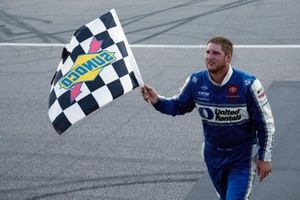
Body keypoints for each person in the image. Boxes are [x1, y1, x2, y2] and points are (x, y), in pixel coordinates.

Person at [140, 36, 275, 200]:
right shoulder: (196, 81)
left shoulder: (248, 84)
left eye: (215, 53)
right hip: (213, 156)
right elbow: (177, 105)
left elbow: (265, 124)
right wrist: (156, 100)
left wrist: (264, 158)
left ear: (228, 57)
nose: (209, 57)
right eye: (207, 52)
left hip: (241, 157)